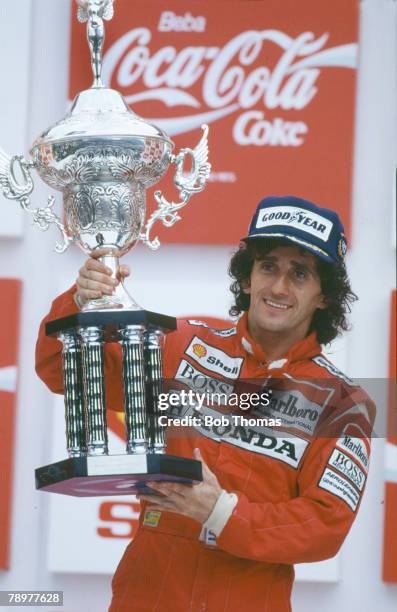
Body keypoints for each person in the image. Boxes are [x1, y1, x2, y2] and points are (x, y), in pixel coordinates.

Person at [35, 196, 375, 612]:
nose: (279, 287)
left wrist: (221, 512)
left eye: (300, 274)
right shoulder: (181, 346)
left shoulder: (344, 403)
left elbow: (325, 525)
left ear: (324, 296)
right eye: (268, 266)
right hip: (148, 592)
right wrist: (82, 299)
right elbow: (59, 370)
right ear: (247, 277)